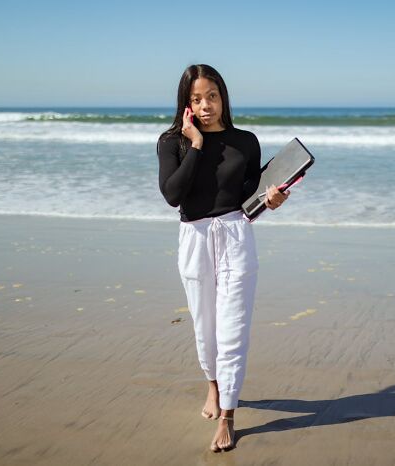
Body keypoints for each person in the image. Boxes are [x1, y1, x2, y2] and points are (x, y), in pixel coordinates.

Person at [157, 64, 288, 452]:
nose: (205, 105)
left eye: (211, 96)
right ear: (185, 104)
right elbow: (173, 195)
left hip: (235, 236)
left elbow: (250, 199)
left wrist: (271, 201)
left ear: (223, 97)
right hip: (195, 237)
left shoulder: (245, 141)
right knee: (205, 324)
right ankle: (213, 387)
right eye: (195, 99)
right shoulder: (172, 143)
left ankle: (229, 415)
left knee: (233, 327)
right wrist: (195, 144)